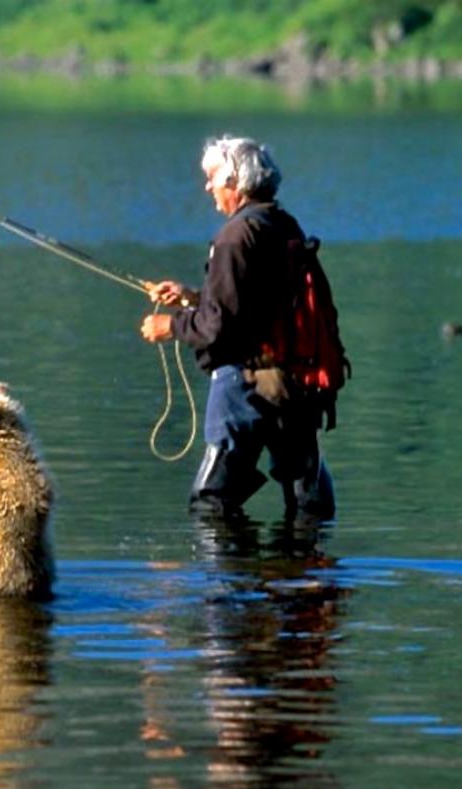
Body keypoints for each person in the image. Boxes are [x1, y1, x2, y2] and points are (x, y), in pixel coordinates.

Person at [140, 135, 335, 520]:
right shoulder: (280, 223)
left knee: (211, 504)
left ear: (234, 182)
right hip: (295, 382)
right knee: (307, 502)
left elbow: (218, 328)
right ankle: (299, 574)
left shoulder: (233, 236)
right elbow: (256, 303)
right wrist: (194, 297)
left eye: (213, 178)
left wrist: (170, 325)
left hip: (246, 386)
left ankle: (235, 580)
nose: (207, 186)